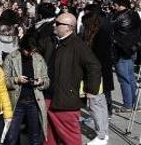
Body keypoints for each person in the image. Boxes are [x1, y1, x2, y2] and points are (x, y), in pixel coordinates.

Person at [38, 12, 102, 145]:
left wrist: (91, 90)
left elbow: (94, 66)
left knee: (70, 137)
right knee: (48, 134)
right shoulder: (52, 40)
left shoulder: (78, 45)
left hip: (66, 99)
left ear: (69, 27)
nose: (54, 26)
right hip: (48, 95)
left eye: (58, 24)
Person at [3, 32, 49, 145]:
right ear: (22, 47)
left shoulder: (39, 59)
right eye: (28, 50)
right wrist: (16, 80)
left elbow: (47, 81)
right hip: (16, 102)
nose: (30, 53)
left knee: (35, 136)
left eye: (33, 50)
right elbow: (3, 81)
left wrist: (41, 81)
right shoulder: (11, 58)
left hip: (34, 102)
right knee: (11, 136)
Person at [81, 6, 113, 145]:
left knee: (96, 104)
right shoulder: (101, 33)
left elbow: (95, 58)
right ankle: (103, 133)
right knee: (101, 104)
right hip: (101, 73)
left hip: (96, 75)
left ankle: (101, 135)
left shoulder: (97, 36)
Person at [110, 0, 141, 113]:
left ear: (120, 5)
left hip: (121, 50)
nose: (113, 7)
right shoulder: (135, 14)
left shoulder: (119, 17)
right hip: (132, 49)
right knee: (131, 78)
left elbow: (112, 28)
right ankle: (135, 104)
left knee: (124, 79)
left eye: (115, 4)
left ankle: (128, 105)